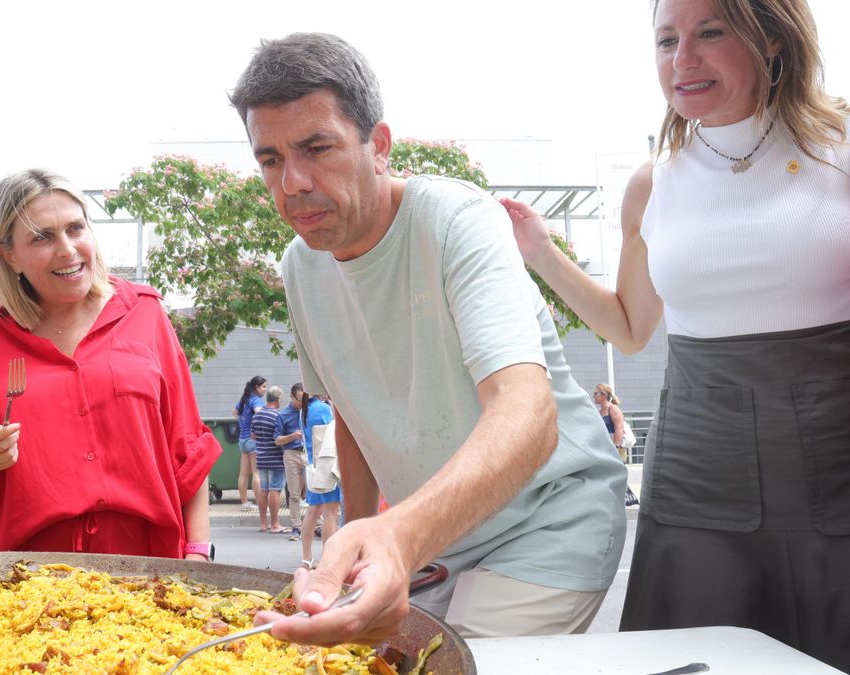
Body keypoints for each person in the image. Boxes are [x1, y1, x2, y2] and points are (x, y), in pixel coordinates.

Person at [230, 32, 627, 644]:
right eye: (271, 159)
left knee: (449, 659)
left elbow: (529, 411)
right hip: (434, 540)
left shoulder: (457, 220)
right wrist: (355, 553)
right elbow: (353, 419)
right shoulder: (300, 264)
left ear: (379, 145)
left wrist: (396, 536)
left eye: (317, 147)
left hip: (548, 520)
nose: (293, 183)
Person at [503, 0, 850, 667]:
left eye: (709, 33)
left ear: (773, 39)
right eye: (666, 40)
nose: (681, 59)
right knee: (700, 652)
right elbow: (630, 328)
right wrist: (543, 253)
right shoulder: (652, 184)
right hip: (698, 474)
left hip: (835, 462)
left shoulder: (837, 152)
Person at [0, 169, 221, 562]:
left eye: (75, 229)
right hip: (16, 578)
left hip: (148, 568)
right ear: (9, 254)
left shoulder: (146, 314)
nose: (67, 250)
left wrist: (197, 555)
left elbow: (188, 450)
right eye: (42, 237)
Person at [298, 388, 339, 565]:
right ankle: (327, 558)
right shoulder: (323, 408)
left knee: (312, 511)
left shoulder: (304, 410)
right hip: (326, 464)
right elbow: (335, 433)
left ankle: (306, 557)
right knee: (330, 514)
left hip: (312, 466)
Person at [251, 386, 288, 534]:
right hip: (275, 458)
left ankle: (263, 524)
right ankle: (275, 524)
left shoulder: (257, 415)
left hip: (261, 457)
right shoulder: (277, 416)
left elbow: (253, 435)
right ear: (278, 399)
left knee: (263, 489)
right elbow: (279, 438)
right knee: (275, 490)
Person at [594, 383, 639, 506]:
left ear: (603, 395)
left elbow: (619, 429)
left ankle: (623, 499)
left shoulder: (612, 409)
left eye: (596, 393)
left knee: (616, 474)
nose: (593, 396)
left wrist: (615, 447)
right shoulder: (598, 411)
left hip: (615, 448)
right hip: (604, 448)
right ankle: (611, 500)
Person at [275, 382, 308, 540]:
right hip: (291, 453)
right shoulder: (283, 415)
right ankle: (296, 526)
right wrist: (292, 436)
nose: (302, 403)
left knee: (314, 490)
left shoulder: (309, 410)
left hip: (308, 452)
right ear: (292, 397)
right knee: (294, 493)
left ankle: (317, 525)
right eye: (299, 399)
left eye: (304, 399)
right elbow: (277, 440)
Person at [233, 376, 267, 521]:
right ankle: (261, 504)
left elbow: (234, 412)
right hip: (253, 440)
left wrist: (244, 422)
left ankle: (245, 503)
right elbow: (259, 412)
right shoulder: (256, 400)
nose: (265, 390)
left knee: (243, 474)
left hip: (242, 440)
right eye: (264, 387)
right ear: (257, 387)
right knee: (256, 473)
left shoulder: (244, 399)